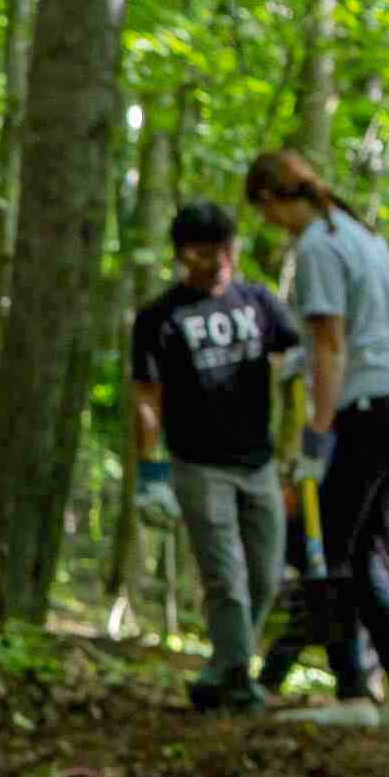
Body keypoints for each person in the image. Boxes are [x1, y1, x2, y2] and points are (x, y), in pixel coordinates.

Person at [246, 147, 389, 719]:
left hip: (365, 408)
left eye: (265, 214)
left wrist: (317, 435)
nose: (270, 226)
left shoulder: (317, 247)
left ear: (271, 200)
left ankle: (352, 693)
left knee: (325, 550)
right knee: (359, 551)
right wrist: (321, 355)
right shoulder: (362, 235)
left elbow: (331, 344)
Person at [123, 200, 300, 712]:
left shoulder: (261, 303)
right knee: (226, 575)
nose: (219, 260)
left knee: (266, 574)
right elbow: (145, 397)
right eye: (205, 252)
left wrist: (302, 444)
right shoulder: (160, 318)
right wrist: (151, 472)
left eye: (226, 248)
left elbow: (297, 363)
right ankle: (240, 681)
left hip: (259, 463)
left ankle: (220, 668)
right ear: (183, 255)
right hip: (198, 465)